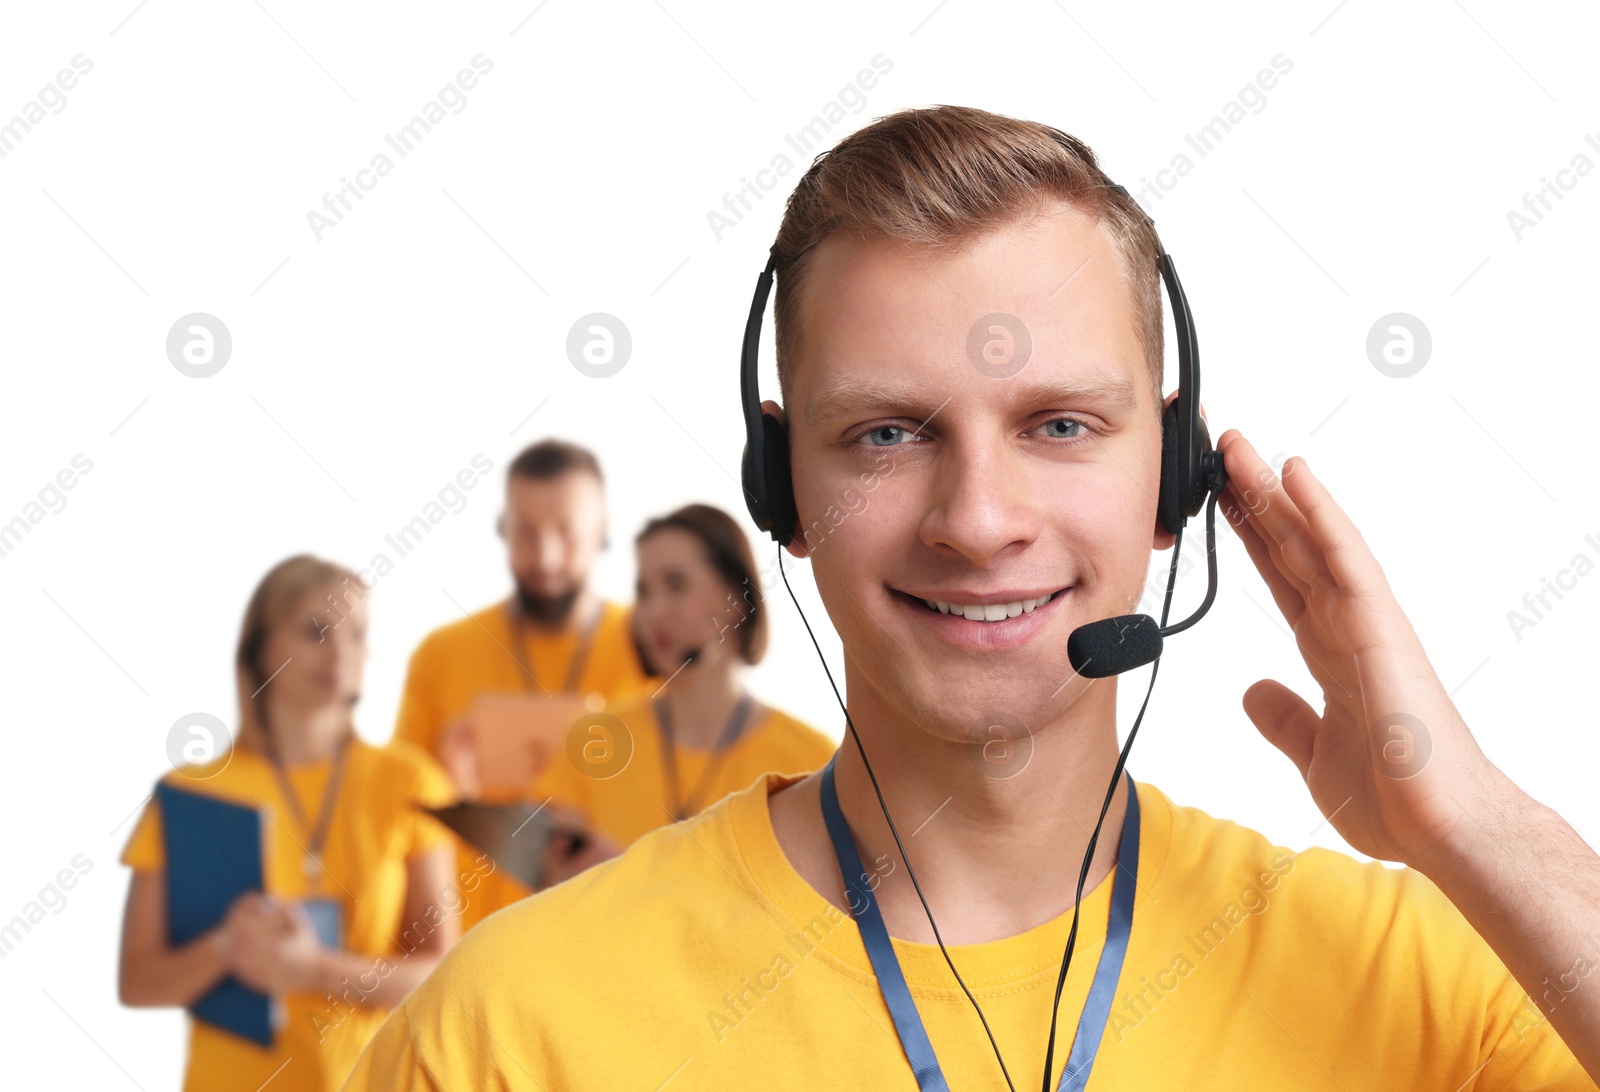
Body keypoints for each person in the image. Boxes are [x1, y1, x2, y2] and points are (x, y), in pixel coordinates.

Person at [341, 107, 1600, 1089]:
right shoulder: (512, 1031)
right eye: (887, 434)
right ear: (780, 486)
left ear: (1172, 473)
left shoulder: (1438, 980)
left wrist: (1479, 825)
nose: (977, 519)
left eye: (1059, 423)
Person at [118, 555, 461, 1092]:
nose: (341, 654)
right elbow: (138, 982)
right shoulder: (189, 794)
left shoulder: (411, 781)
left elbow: (445, 972)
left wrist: (315, 970)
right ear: (259, 649)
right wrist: (227, 945)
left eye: (357, 634)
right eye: (316, 631)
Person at [390, 438, 657, 930]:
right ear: (502, 530)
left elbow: (679, 817)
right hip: (472, 949)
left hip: (608, 937)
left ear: (601, 534)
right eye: (526, 533)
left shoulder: (654, 653)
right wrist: (448, 791)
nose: (546, 557)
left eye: (566, 533)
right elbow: (395, 828)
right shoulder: (441, 655)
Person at [510, 503, 837, 887]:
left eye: (676, 584)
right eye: (644, 591)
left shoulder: (811, 761)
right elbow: (548, 900)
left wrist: (629, 876)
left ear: (736, 595)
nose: (654, 612)